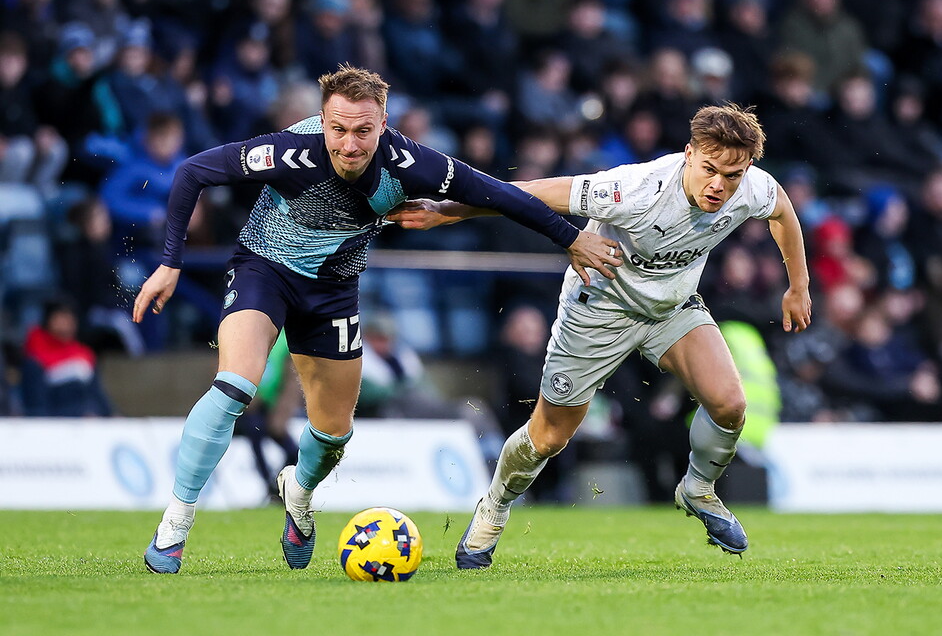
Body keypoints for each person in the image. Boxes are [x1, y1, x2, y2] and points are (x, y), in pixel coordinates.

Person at [132, 64, 620, 574]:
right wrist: (169, 262)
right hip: (264, 270)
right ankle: (174, 528)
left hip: (335, 291)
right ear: (322, 122)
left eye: (363, 131)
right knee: (235, 385)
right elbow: (193, 171)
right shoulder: (286, 151)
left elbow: (499, 194)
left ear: (384, 123)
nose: (348, 144)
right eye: (337, 129)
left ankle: (297, 493)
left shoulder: (412, 163)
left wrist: (571, 237)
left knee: (333, 434)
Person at [388, 103, 812, 566]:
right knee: (548, 437)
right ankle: (494, 506)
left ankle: (698, 489)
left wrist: (798, 286)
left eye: (731, 175)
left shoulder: (751, 187)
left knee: (731, 404)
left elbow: (783, 212)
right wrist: (443, 212)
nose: (719, 185)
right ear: (689, 154)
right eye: (709, 169)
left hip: (671, 309)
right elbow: (523, 193)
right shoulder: (635, 189)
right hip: (599, 309)